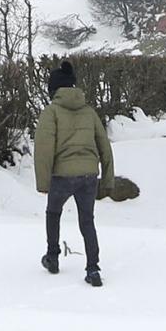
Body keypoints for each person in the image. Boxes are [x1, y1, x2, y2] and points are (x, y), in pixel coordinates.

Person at [33, 59, 114, 287]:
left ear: (54, 90)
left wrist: (43, 182)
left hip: (62, 176)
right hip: (89, 175)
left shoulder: (51, 112)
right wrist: (107, 179)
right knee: (87, 221)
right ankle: (93, 269)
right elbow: (104, 146)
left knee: (53, 212)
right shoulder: (89, 112)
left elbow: (44, 148)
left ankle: (53, 257)